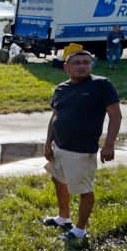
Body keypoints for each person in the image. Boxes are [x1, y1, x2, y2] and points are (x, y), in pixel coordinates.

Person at [42, 49, 122, 240]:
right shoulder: (61, 89)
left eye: (86, 62)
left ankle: (79, 230)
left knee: (84, 189)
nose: (82, 66)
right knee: (58, 179)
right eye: (76, 63)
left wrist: (109, 145)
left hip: (82, 150)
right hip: (59, 147)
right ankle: (64, 218)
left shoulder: (101, 85)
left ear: (91, 65)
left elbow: (116, 116)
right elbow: (55, 117)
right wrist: (48, 143)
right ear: (66, 67)